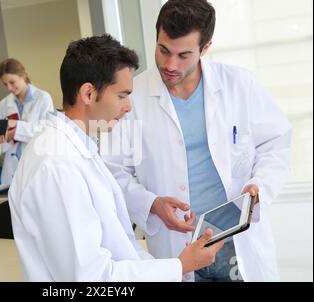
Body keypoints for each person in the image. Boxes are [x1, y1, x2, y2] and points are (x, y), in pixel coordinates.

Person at [102, 0, 292, 282]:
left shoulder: (240, 85)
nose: (170, 64)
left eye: (183, 55)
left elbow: (275, 144)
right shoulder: (130, 97)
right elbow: (112, 171)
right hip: (176, 248)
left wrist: (260, 185)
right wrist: (152, 203)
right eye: (163, 50)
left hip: (236, 242)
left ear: (205, 48)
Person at [8, 35, 225, 282]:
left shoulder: (77, 149)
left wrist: (176, 266)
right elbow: (90, 278)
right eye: (122, 95)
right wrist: (180, 266)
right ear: (88, 93)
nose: (129, 107)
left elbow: (121, 251)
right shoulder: (57, 166)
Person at [0, 59, 54, 185]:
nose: (9, 88)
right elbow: (0, 146)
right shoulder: (3, 105)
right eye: (5, 84)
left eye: (12, 82)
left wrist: (16, 128)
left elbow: (45, 131)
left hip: (36, 164)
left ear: (22, 76)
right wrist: (0, 139)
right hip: (12, 169)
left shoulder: (43, 98)